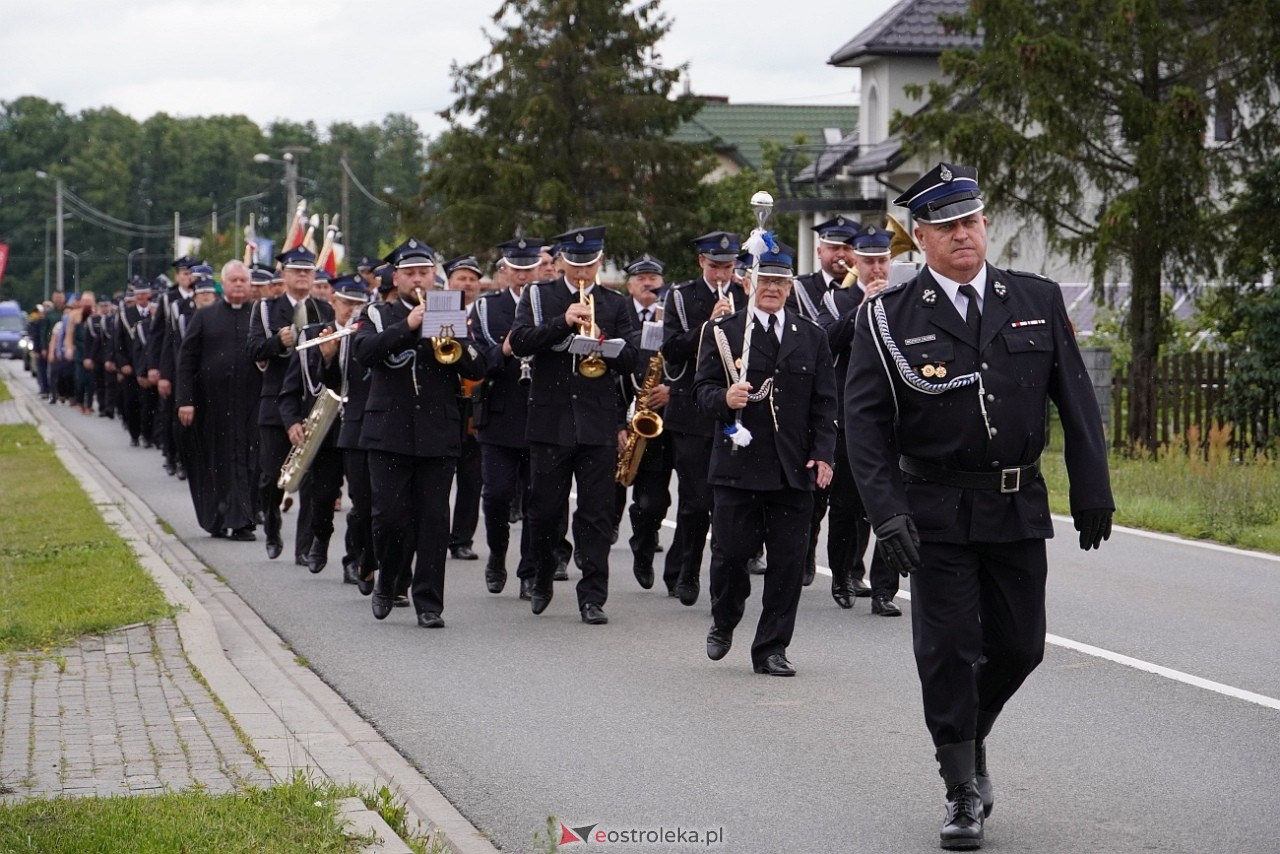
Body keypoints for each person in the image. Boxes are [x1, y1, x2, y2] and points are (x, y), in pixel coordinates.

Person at [845, 162, 1114, 850]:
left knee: (1021, 646)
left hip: (1015, 504)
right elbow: (865, 426)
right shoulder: (887, 316)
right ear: (921, 238)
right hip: (933, 508)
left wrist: (1093, 490)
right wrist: (886, 514)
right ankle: (961, 785)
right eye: (946, 227)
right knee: (949, 649)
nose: (963, 235)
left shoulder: (1036, 298)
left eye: (971, 222)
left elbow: (1076, 402)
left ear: (985, 225)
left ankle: (971, 732)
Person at [694, 243, 836, 676]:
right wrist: (725, 397)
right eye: (764, 280)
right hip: (738, 464)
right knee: (731, 555)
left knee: (788, 565)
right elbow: (700, 392)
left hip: (792, 470)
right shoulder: (724, 332)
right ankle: (724, 618)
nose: (771, 288)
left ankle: (771, 647)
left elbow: (826, 403)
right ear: (748, 283)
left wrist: (824, 455)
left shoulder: (811, 336)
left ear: (790, 287)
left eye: (779, 281)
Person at [352, 238, 487, 628]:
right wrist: (408, 326)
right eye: (409, 273)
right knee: (390, 519)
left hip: (438, 432)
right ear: (396, 278)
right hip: (387, 432)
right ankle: (387, 581)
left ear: (435, 276)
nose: (417, 280)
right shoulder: (378, 313)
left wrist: (456, 342)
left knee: (432, 522)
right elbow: (364, 352)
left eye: (424, 273)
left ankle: (429, 603)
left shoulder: (452, 313)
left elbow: (477, 368)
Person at [510, 226, 638, 624]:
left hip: (597, 422)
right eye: (575, 263)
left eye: (590, 263)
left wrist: (605, 342)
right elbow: (519, 341)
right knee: (546, 510)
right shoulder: (538, 295)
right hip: (550, 421)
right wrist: (563, 323)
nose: (582, 271)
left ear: (600, 261)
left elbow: (633, 357)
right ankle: (543, 575)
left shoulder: (615, 304)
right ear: (561, 260)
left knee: (596, 514)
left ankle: (593, 596)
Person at [661, 231, 748, 604]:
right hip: (691, 412)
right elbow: (671, 349)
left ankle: (720, 579)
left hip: (735, 409)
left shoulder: (747, 293)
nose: (722, 275)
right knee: (695, 500)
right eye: (715, 267)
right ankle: (686, 571)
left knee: (726, 502)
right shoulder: (681, 297)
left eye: (728, 267)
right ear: (701, 263)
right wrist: (708, 326)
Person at [821, 224, 899, 613]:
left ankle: (885, 590)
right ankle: (842, 576)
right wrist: (863, 308)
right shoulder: (837, 299)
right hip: (851, 417)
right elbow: (827, 341)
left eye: (882, 260)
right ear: (855, 261)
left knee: (892, 501)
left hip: (895, 417)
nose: (877, 269)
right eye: (869, 262)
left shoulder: (903, 299)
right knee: (847, 504)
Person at [246, 247, 334, 562]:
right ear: (284, 275)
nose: (302, 277)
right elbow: (253, 349)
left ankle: (305, 547)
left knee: (311, 477)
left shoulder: (325, 309)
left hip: (311, 401)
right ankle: (272, 527)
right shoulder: (266, 309)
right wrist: (276, 343)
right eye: (296, 271)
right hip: (274, 401)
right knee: (271, 476)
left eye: (308, 272)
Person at [787, 216, 859, 586]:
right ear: (820, 252)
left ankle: (850, 567)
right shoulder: (799, 289)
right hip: (806, 396)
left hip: (846, 396)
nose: (841, 255)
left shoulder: (860, 290)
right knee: (813, 492)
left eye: (848, 248)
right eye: (834, 248)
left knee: (850, 492)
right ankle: (804, 549)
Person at [470, 238, 543, 598]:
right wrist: (503, 349)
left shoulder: (550, 303)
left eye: (529, 269)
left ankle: (529, 571)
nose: (523, 276)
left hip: (542, 415)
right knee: (497, 493)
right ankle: (497, 553)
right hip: (499, 415)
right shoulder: (487, 308)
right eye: (516, 270)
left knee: (537, 498)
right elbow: (478, 361)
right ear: (504, 271)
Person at [278, 274, 365, 575]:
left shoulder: (367, 335)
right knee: (323, 495)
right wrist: (292, 422)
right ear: (333, 301)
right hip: (324, 432)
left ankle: (353, 559)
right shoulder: (314, 335)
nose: (351, 309)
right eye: (346, 302)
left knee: (360, 500)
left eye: (358, 303)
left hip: (359, 429)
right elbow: (290, 390)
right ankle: (320, 538)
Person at [175, 261, 260, 540]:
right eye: (233, 280)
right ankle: (218, 518)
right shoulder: (205, 316)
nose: (239, 284)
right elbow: (186, 360)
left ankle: (244, 520)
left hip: (250, 403)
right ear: (223, 284)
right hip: (212, 405)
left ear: (249, 285)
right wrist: (185, 400)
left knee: (248, 460)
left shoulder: (259, 316)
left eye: (243, 280)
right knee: (217, 460)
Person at [618, 253, 673, 590]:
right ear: (630, 284)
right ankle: (642, 545)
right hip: (632, 412)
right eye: (642, 278)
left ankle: (672, 566)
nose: (649, 283)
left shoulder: (673, 315)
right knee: (646, 499)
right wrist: (619, 422)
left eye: (654, 277)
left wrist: (673, 390)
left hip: (673, 415)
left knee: (672, 501)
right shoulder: (619, 312)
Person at [442, 254, 485, 561]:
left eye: (472, 279)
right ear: (449, 283)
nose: (467, 284)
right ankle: (436, 532)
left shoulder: (484, 312)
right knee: (440, 475)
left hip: (476, 402)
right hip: (445, 400)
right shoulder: (439, 309)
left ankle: (462, 539)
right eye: (461, 278)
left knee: (471, 475)